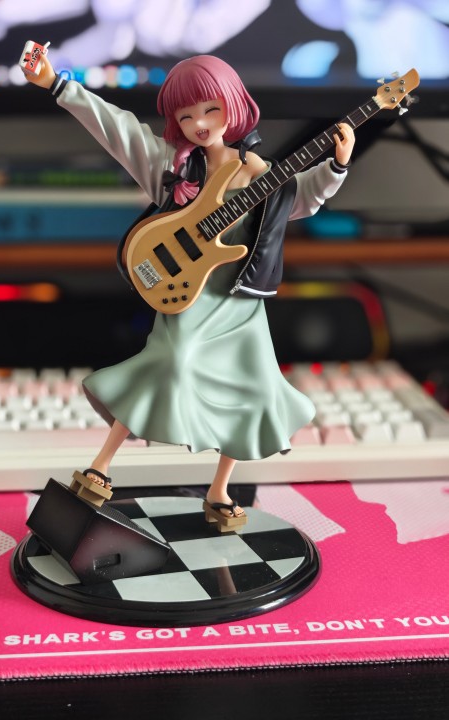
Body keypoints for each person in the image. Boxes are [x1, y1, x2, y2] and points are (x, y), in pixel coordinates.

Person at [23, 53, 355, 528]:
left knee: (253, 387)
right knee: (168, 362)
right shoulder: (172, 166)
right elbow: (116, 128)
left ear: (234, 106)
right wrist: (57, 84)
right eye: (186, 116)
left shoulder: (260, 172)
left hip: (239, 299)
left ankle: (219, 491)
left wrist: (337, 166)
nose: (200, 124)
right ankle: (101, 465)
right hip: (187, 291)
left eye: (211, 110)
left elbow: (300, 198)